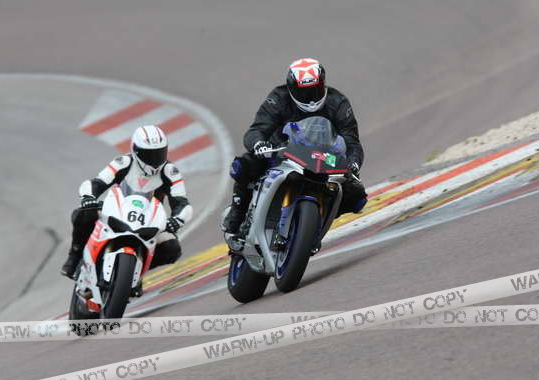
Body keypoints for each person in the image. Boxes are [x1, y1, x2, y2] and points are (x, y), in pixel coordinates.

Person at [222, 58, 367, 233]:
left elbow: (352, 141)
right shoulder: (278, 98)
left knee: (357, 197)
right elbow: (257, 129)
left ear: (323, 84)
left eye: (315, 90)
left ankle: (318, 219)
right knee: (245, 165)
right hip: (283, 151)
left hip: (324, 157)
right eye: (304, 92)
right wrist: (259, 144)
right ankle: (237, 212)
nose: (310, 98)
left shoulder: (338, 102)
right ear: (291, 88)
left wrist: (353, 163)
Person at [60, 125, 193, 290]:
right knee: (82, 214)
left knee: (172, 248)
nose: (154, 159)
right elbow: (97, 183)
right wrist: (88, 197)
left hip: (149, 219)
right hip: (117, 209)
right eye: (148, 154)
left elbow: (181, 203)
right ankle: (74, 256)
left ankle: (136, 272)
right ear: (135, 150)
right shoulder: (123, 162)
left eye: (159, 153)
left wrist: (177, 220)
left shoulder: (170, 172)